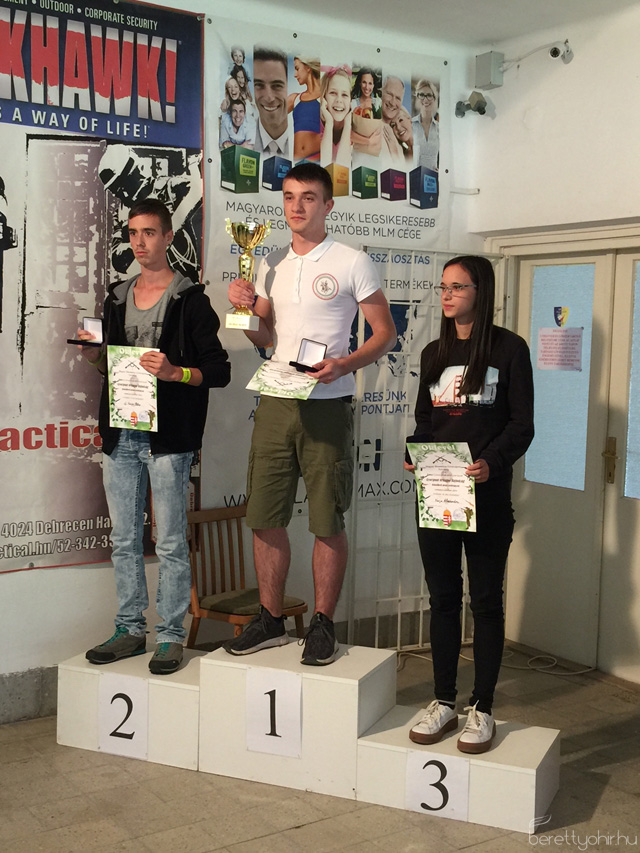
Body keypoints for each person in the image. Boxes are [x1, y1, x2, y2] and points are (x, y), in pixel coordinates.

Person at [225, 162, 396, 665]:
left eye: (308, 197)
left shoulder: (352, 261)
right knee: (264, 516)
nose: (296, 206)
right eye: (289, 196)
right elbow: (264, 337)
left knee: (326, 519)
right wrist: (242, 310)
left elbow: (385, 334)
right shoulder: (269, 262)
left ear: (328, 205)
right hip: (276, 400)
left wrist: (345, 364)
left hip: (327, 403)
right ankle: (270, 619)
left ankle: (322, 624)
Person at [79, 199, 231, 674]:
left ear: (168, 237)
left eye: (148, 232)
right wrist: (93, 354)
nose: (139, 242)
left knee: (169, 541)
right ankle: (129, 629)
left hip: (168, 440)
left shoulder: (191, 299)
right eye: (133, 233)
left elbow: (219, 371)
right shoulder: (116, 296)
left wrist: (175, 372)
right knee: (124, 539)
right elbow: (107, 365)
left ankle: (169, 635)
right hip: (121, 434)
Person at [405, 256, 534, 753]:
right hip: (437, 496)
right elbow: (425, 421)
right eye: (444, 286)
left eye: (458, 287)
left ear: (481, 291)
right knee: (442, 600)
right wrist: (416, 455)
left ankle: (483, 707)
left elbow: (521, 424)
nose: (447, 295)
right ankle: (443, 701)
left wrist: (491, 463)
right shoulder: (434, 352)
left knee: (484, 603)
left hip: (487, 497)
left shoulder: (510, 349)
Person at [253, 47, 291, 158]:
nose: (269, 97)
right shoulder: (239, 142)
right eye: (259, 85)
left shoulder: (308, 140)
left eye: (277, 85)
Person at [287, 57, 322, 162]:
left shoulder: (326, 97)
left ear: (308, 68)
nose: (295, 74)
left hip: (318, 160)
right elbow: (271, 116)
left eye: (297, 69)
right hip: (298, 162)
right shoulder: (294, 99)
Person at [319, 67, 353, 167]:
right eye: (333, 93)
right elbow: (323, 167)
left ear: (351, 100)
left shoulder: (357, 129)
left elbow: (342, 170)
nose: (339, 100)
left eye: (344, 95)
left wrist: (347, 126)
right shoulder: (315, 125)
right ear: (324, 97)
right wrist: (329, 124)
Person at [412, 79, 439, 170]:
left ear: (434, 98)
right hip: (414, 176)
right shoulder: (411, 124)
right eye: (422, 95)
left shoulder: (440, 128)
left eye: (429, 95)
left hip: (433, 178)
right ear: (417, 97)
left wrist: (441, 171)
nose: (425, 99)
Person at [380, 75, 406, 165]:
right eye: (389, 94)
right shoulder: (369, 125)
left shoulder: (398, 140)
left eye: (398, 98)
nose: (393, 102)